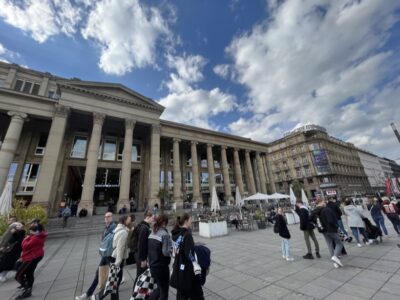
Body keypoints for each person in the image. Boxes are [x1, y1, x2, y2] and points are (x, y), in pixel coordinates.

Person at [75, 212, 116, 300]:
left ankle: (95, 295)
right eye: (105, 217)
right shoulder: (106, 227)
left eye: (108, 217)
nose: (106, 218)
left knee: (112, 277)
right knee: (100, 274)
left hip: (110, 255)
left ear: (112, 217)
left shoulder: (113, 227)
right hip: (105, 255)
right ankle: (88, 293)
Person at [97, 215, 132, 300]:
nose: (130, 221)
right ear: (124, 221)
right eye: (129, 220)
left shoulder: (117, 228)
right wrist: (118, 262)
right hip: (116, 259)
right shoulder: (123, 232)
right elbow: (120, 248)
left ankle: (100, 296)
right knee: (115, 282)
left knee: (115, 283)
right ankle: (98, 296)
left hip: (112, 256)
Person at [171, 213, 204, 300]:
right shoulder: (187, 235)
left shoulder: (177, 234)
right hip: (187, 269)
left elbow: (174, 251)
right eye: (190, 220)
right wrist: (195, 263)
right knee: (197, 293)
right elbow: (188, 254)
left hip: (178, 266)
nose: (191, 221)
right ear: (186, 221)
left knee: (181, 293)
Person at [14, 220, 48, 299]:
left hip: (32, 257)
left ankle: (27, 289)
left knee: (18, 275)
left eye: (31, 230)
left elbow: (24, 246)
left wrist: (27, 237)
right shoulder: (37, 236)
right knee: (29, 273)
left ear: (36, 231)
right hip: (33, 256)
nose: (29, 232)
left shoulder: (36, 238)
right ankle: (27, 289)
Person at [310, 198, 344, 269]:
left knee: (330, 244)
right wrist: (336, 226)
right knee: (339, 242)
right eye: (324, 201)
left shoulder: (315, 211)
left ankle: (335, 263)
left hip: (323, 230)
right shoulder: (326, 209)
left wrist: (316, 224)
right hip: (331, 229)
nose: (325, 202)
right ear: (321, 202)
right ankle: (335, 257)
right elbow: (331, 220)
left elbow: (310, 219)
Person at [147, 214, 171, 300]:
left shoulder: (152, 232)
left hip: (153, 265)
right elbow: (165, 252)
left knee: (159, 288)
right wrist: (173, 251)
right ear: (164, 223)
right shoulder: (164, 234)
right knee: (164, 291)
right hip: (162, 267)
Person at [133, 210, 154, 288]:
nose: (153, 220)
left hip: (138, 254)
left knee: (140, 275)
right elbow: (141, 244)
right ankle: (134, 294)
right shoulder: (144, 228)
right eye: (152, 218)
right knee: (140, 276)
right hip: (140, 256)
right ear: (147, 217)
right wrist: (143, 260)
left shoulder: (141, 225)